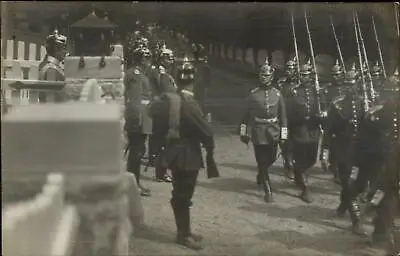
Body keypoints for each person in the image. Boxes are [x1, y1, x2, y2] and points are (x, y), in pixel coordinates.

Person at [149, 58, 218, 250]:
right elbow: (206, 131)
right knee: (183, 195)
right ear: (192, 82)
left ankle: (185, 231)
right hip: (187, 154)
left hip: (175, 152)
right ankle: (183, 234)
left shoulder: (174, 100)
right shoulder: (189, 103)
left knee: (181, 194)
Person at [323, 64, 367, 236]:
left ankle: (343, 205)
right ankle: (356, 219)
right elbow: (328, 131)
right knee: (347, 182)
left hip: (361, 150)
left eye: (353, 83)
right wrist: (325, 152)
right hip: (342, 150)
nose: (350, 86)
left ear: (358, 84)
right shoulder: (337, 105)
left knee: (361, 184)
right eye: (347, 83)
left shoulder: (365, 103)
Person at [239, 59, 288, 203]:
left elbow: (283, 116)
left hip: (273, 131)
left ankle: (262, 172)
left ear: (272, 77)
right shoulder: (253, 94)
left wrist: (283, 134)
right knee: (261, 160)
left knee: (271, 158)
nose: (264, 78)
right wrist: (243, 132)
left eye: (266, 76)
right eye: (262, 75)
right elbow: (245, 115)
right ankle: (268, 190)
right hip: (258, 131)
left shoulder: (278, 95)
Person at [285, 60, 323, 203]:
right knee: (301, 159)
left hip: (313, 130)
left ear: (311, 76)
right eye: (301, 75)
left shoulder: (317, 91)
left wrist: (320, 116)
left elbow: (323, 108)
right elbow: (288, 113)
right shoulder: (293, 92)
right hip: (299, 131)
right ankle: (305, 188)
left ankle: (298, 173)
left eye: (306, 75)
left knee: (311, 159)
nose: (303, 77)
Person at [124, 37, 153, 196]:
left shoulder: (140, 74)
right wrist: (137, 121)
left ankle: (134, 183)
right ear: (140, 60)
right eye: (146, 58)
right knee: (136, 153)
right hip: (138, 118)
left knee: (138, 152)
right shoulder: (135, 75)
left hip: (143, 117)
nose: (148, 61)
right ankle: (133, 184)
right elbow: (135, 100)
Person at [148, 46, 177, 182]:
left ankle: (158, 163)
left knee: (161, 139)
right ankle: (161, 170)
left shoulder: (165, 72)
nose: (170, 61)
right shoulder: (160, 72)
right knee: (164, 141)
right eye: (168, 58)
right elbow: (166, 90)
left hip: (164, 107)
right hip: (163, 108)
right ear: (162, 59)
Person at [320, 60, 346, 184]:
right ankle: (335, 171)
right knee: (333, 147)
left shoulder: (347, 87)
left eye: (338, 74)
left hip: (345, 121)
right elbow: (324, 104)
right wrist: (324, 111)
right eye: (334, 74)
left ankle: (340, 169)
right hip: (332, 121)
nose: (336, 77)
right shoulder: (327, 89)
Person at [277, 58, 299, 180]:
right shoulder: (281, 82)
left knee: (297, 142)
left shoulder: (299, 83)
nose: (289, 71)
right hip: (284, 116)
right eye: (288, 68)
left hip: (296, 117)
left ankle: (295, 164)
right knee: (285, 142)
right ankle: (288, 164)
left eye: (292, 68)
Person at [38, 29, 68, 102]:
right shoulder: (52, 69)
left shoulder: (46, 64)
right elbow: (56, 97)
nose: (65, 52)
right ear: (56, 49)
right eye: (63, 48)